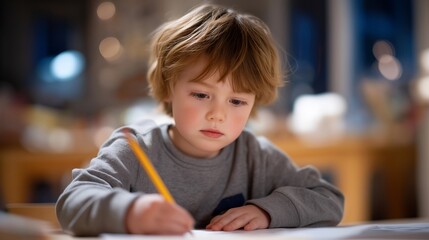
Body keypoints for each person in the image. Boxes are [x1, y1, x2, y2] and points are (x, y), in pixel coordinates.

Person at [56, 3, 344, 236]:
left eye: (237, 101)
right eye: (201, 95)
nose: (218, 114)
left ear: (254, 102)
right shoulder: (134, 148)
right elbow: (72, 201)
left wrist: (268, 211)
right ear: (169, 87)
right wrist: (131, 212)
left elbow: (329, 199)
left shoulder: (255, 155)